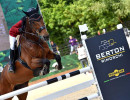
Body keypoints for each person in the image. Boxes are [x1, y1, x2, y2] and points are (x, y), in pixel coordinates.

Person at [9, 7, 39, 73]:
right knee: (12, 46)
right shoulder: (23, 20)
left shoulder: (33, 20)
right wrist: (18, 30)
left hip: (23, 34)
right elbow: (12, 28)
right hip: (14, 34)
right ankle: (11, 64)